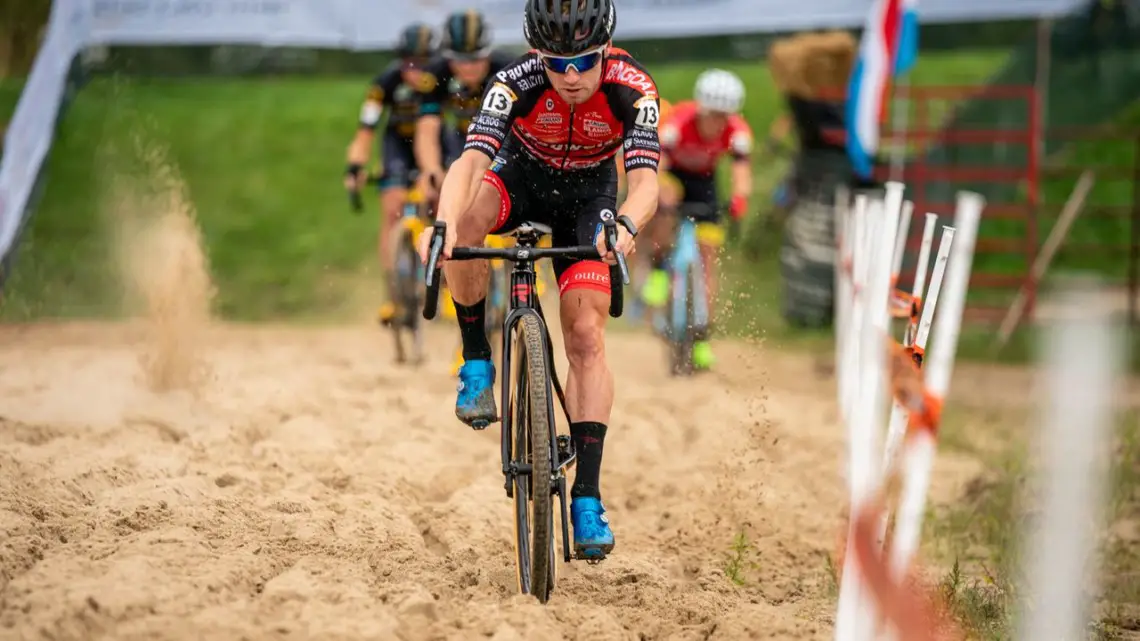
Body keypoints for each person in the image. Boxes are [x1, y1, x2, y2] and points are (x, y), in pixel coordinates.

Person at [416, 0, 661, 561]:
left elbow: (646, 183)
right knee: (470, 218)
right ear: (537, 55)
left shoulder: (634, 88)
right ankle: (477, 360)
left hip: (589, 198)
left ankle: (587, 497)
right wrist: (445, 226)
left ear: (606, 50)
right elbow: (468, 164)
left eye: (584, 62)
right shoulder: (514, 81)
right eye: (557, 63)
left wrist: (626, 225)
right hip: (520, 178)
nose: (571, 76)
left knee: (585, 337)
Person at [638, 69, 753, 370]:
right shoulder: (678, 124)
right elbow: (657, 165)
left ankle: (701, 338)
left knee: (708, 260)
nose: (717, 123)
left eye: (723, 117)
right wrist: (660, 190)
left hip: (705, 185)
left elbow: (742, 172)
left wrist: (740, 198)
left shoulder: (737, 132)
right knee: (665, 209)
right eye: (712, 115)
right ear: (701, 109)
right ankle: (660, 270)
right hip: (674, 175)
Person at [344, 22, 439, 325]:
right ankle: (392, 293)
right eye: (409, 62)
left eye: (423, 62)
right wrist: (355, 167)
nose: (416, 70)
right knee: (392, 210)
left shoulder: (445, 78)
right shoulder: (384, 82)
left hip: (435, 142)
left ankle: (445, 277)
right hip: (398, 144)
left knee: (440, 198)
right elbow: (365, 131)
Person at [412, 10, 514, 203]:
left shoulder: (508, 69)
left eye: (476, 59)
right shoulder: (435, 75)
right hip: (462, 138)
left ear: (488, 53)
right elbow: (427, 127)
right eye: (461, 60)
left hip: (506, 140)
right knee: (436, 191)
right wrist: (431, 170)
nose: (468, 67)